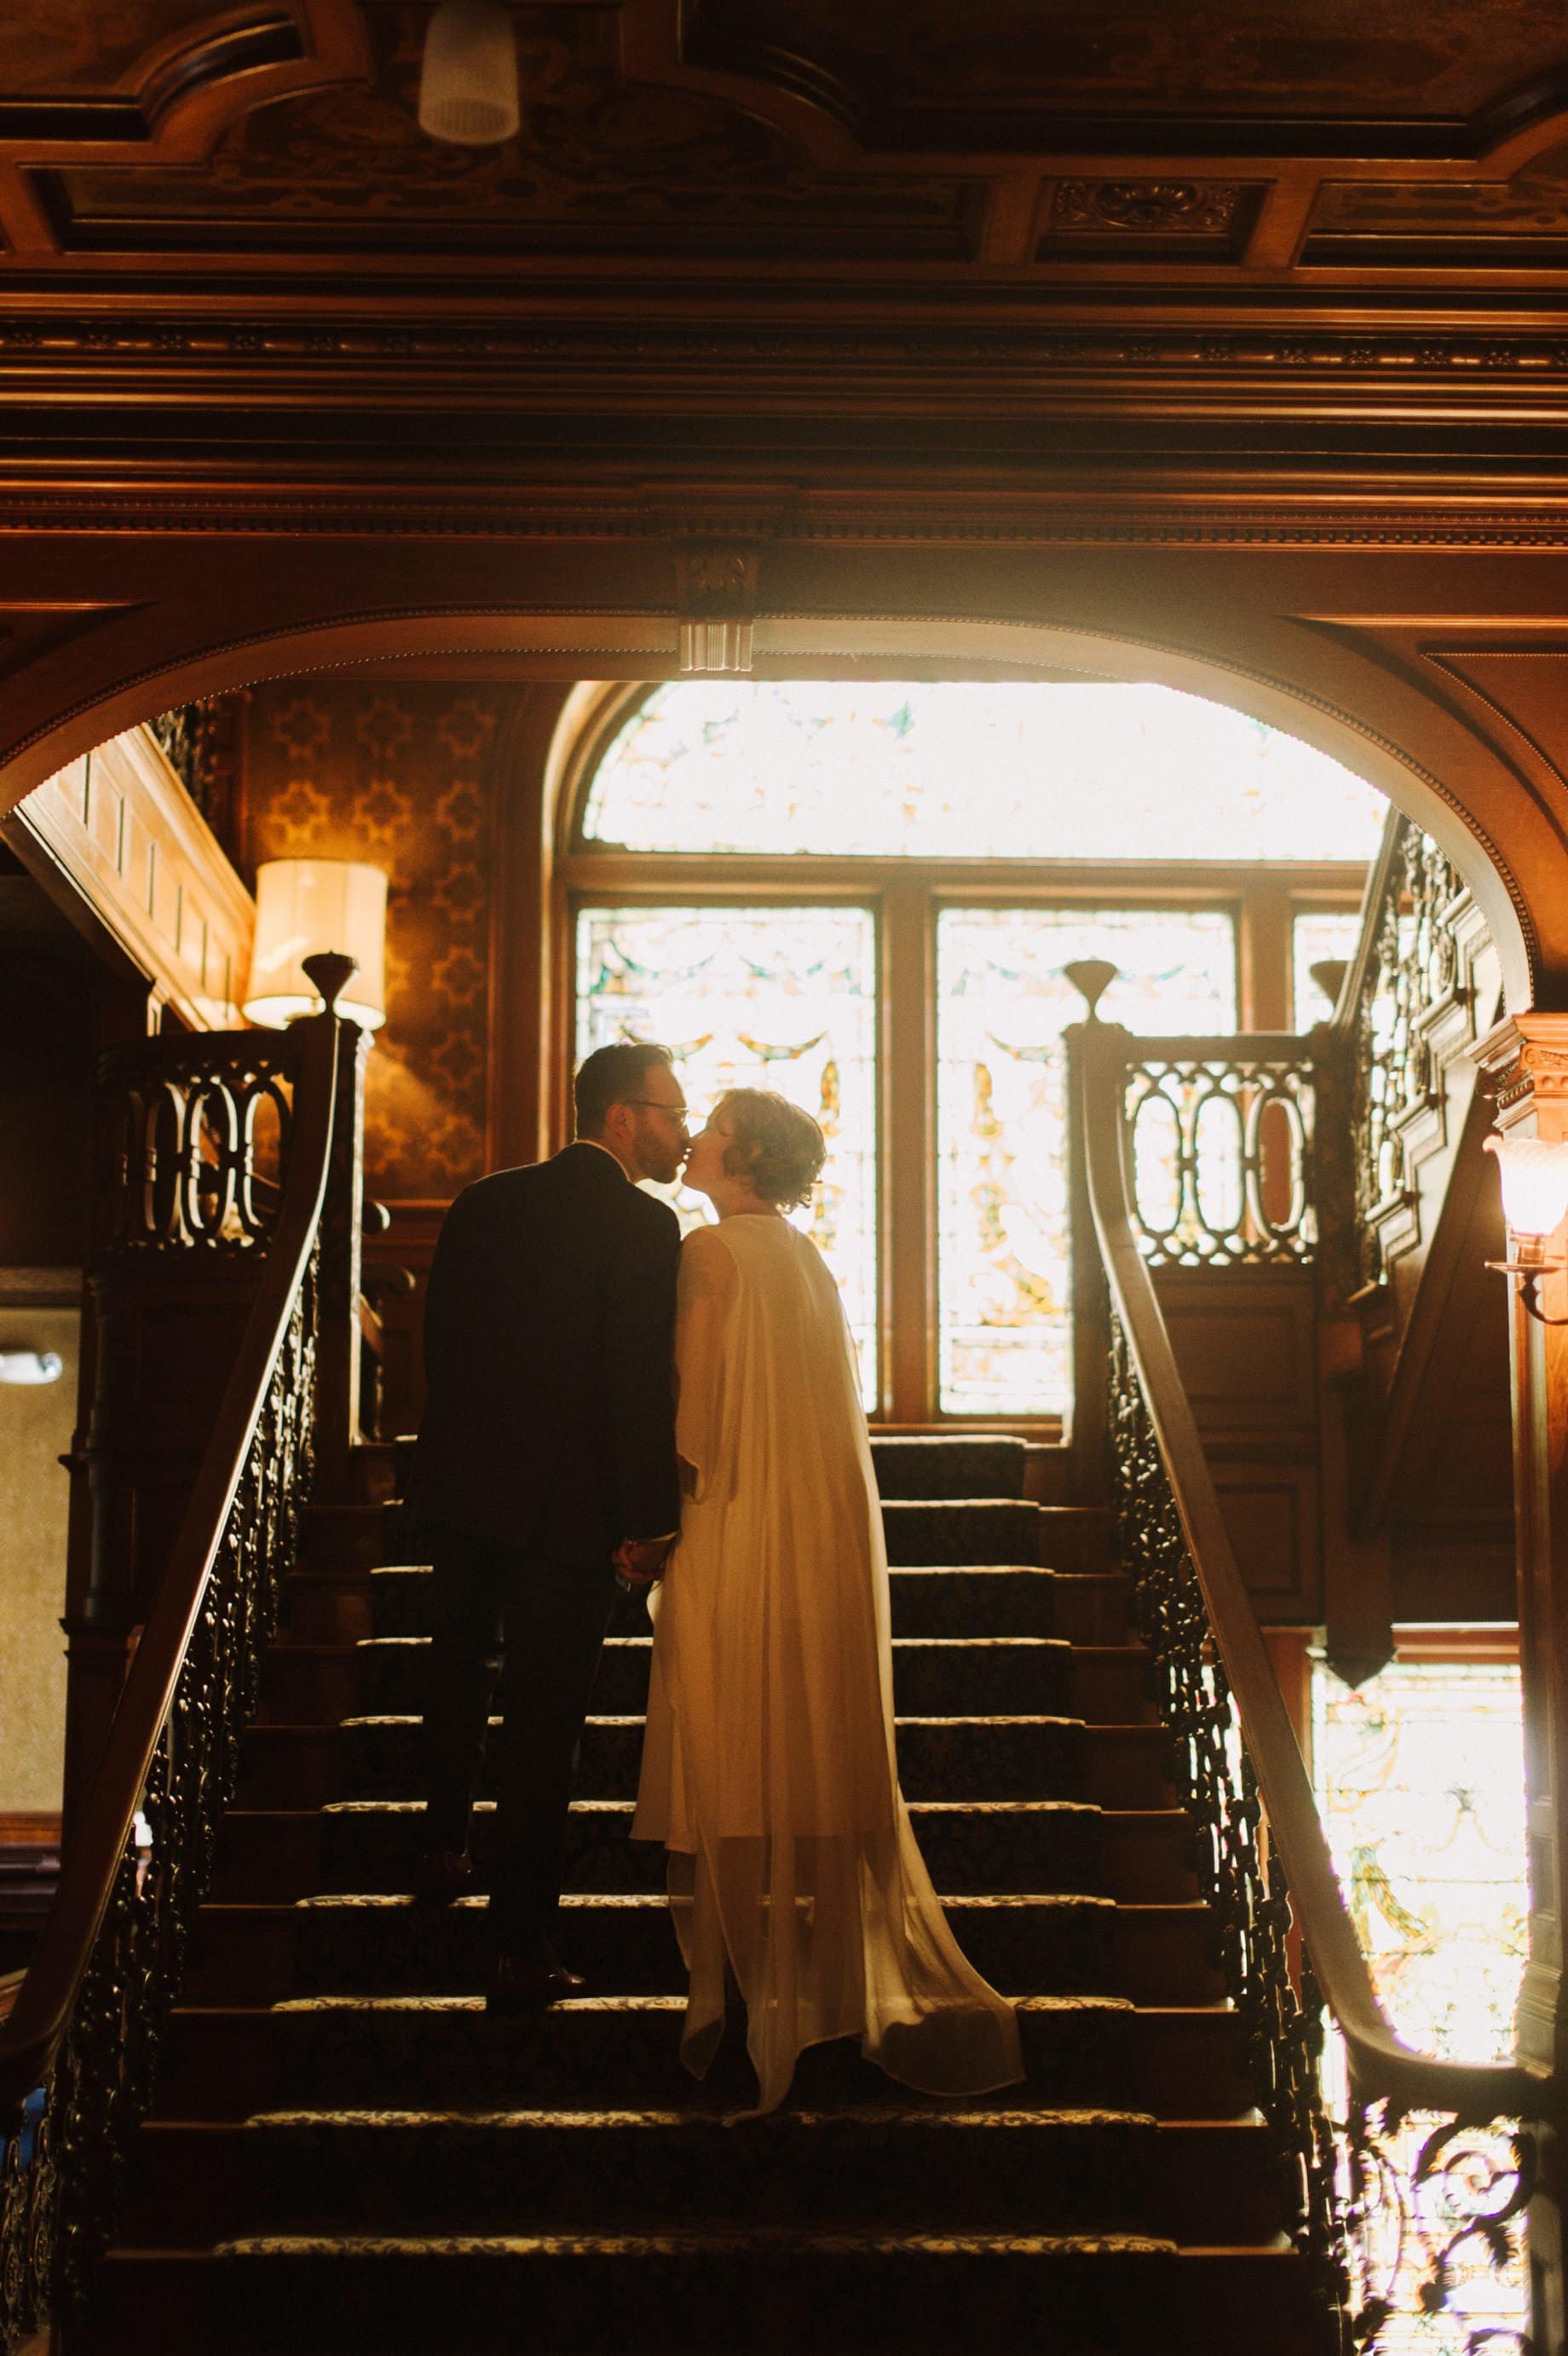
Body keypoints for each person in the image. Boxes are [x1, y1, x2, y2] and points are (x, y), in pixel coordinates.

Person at [632, 1086, 1023, 2114]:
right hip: (814, 1526)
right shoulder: (805, 1260)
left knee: (732, 1743)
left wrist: (658, 1519)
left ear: (746, 1153)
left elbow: (697, 1401)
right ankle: (825, 2004)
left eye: (711, 1126)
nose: (696, 1139)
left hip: (737, 1517)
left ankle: (740, 2004)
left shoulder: (710, 1254)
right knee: (805, 1743)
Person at [411, 1041, 689, 2009]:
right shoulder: (645, 1226)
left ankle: (440, 1847)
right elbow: (633, 1384)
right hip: (567, 1515)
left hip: (463, 1494)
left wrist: (450, 1473)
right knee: (541, 1729)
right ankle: (519, 1943)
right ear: (622, 1115)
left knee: (454, 1673)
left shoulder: (484, 1203)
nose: (684, 1132)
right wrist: (648, 1519)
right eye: (671, 1112)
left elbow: (439, 1344)